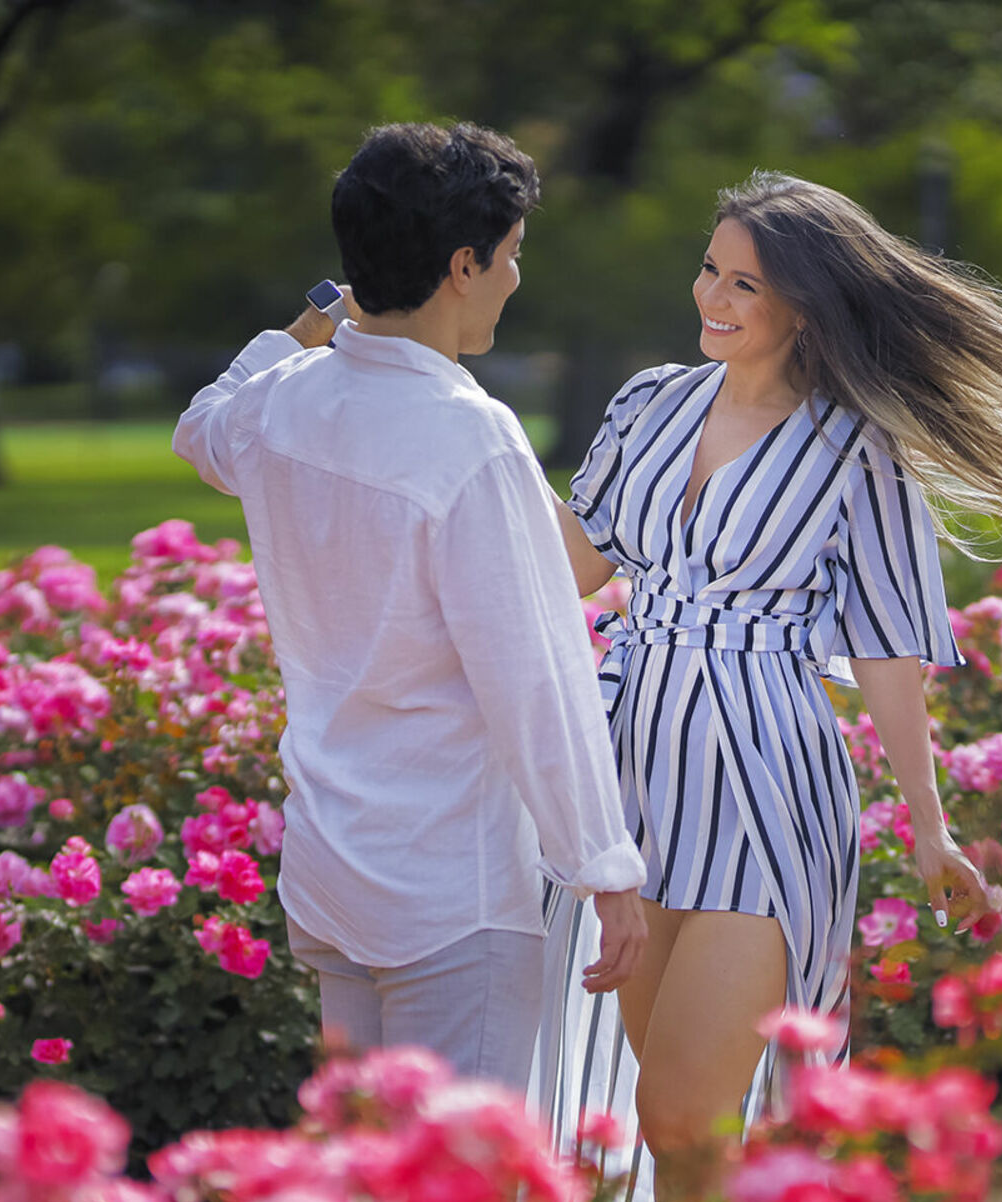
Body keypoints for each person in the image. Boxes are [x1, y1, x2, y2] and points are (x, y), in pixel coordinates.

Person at [541, 172, 1002, 1202]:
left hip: (765, 783)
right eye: (709, 271)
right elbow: (572, 567)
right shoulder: (649, 403)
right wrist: (471, 451)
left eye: (744, 285)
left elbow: (888, 649)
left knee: (686, 1110)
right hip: (631, 775)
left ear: (804, 305)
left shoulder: (857, 450)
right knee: (675, 1132)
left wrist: (932, 829)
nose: (710, 299)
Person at [173, 122, 647, 1090]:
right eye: (511, 258)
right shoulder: (466, 434)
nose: (518, 280)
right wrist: (604, 865)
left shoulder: (282, 401)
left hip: (329, 866)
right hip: (449, 884)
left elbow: (199, 432)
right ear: (464, 265)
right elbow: (534, 671)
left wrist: (297, 332)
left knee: (365, 1192)